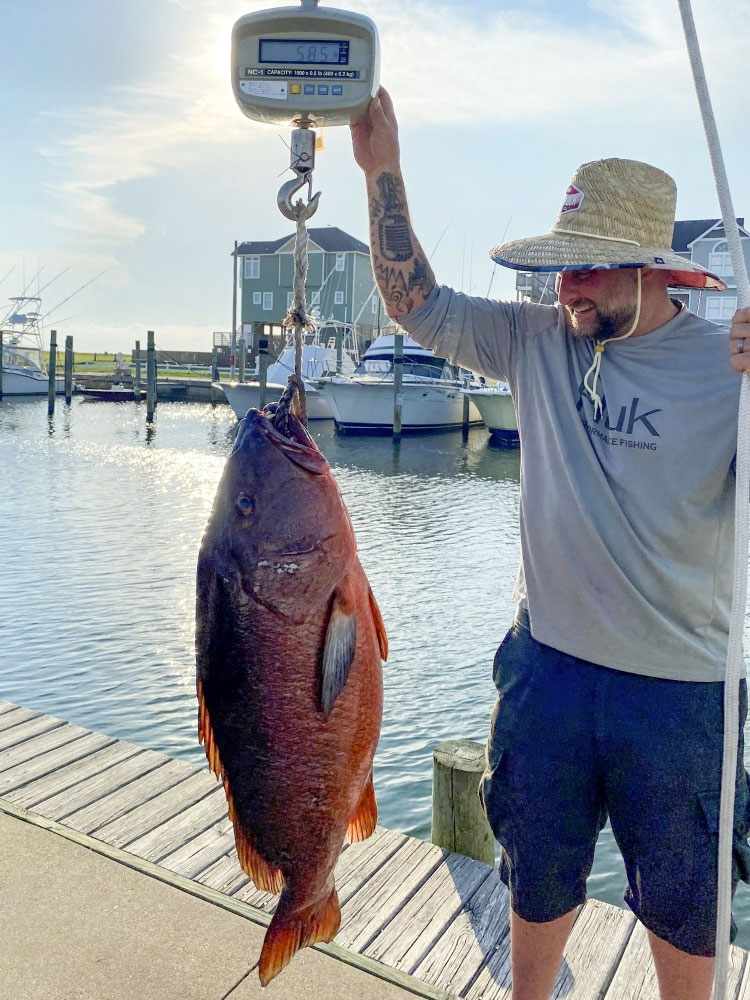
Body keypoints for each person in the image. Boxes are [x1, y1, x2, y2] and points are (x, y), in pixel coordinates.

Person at [351, 87, 750, 1000]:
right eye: (560, 268)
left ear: (652, 271)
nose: (566, 287)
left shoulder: (726, 368)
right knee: (534, 872)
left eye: (588, 269)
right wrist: (383, 170)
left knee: (688, 904)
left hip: (684, 689)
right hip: (549, 670)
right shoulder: (534, 340)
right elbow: (417, 304)